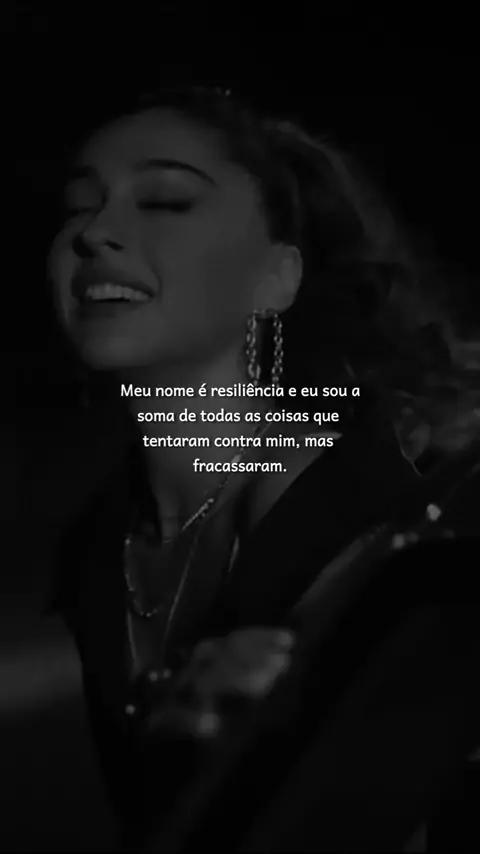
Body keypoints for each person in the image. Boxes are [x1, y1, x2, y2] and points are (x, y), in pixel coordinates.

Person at [46, 84, 480, 851]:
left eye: (166, 200)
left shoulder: (372, 526)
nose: (94, 232)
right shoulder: (97, 549)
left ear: (275, 278)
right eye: (77, 206)